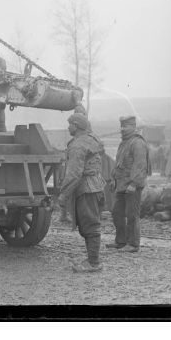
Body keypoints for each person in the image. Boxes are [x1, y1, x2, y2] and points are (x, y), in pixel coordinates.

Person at [56, 113, 106, 273]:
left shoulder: (78, 145)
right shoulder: (91, 139)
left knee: (89, 225)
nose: (68, 126)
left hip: (86, 188)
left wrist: (63, 195)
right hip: (95, 186)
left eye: (70, 124)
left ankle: (93, 262)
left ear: (76, 126)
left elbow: (74, 174)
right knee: (89, 224)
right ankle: (92, 260)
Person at [107, 115, 150, 253]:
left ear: (134, 127)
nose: (122, 129)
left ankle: (133, 244)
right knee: (116, 213)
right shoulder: (124, 143)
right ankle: (121, 241)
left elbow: (140, 165)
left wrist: (134, 183)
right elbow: (118, 163)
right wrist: (113, 178)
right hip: (121, 185)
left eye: (126, 126)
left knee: (132, 215)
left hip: (132, 186)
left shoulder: (137, 143)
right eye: (121, 126)